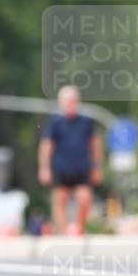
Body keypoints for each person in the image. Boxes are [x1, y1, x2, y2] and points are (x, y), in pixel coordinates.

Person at [38, 85, 103, 234]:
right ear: (61, 102)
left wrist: (97, 167)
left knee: (85, 198)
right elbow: (46, 147)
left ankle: (79, 227)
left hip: (81, 167)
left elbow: (95, 145)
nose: (70, 104)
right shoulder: (55, 122)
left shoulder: (86, 122)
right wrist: (44, 168)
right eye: (67, 101)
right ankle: (65, 230)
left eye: (73, 100)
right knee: (60, 200)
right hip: (61, 168)